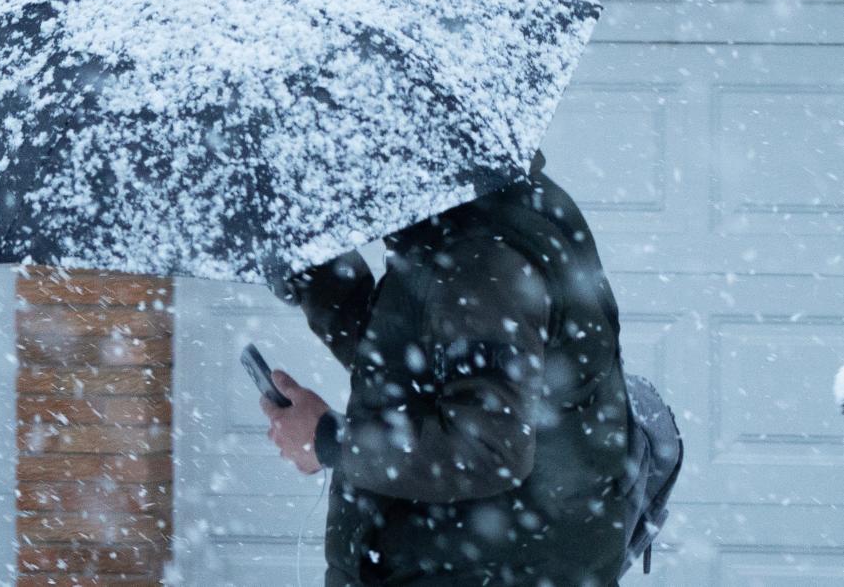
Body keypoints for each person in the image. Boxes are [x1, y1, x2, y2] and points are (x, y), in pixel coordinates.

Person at [262, 149, 632, 586]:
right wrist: (315, 268)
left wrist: (330, 442)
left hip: (482, 568)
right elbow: (410, 364)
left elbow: (488, 450)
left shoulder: (479, 261)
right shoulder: (474, 213)